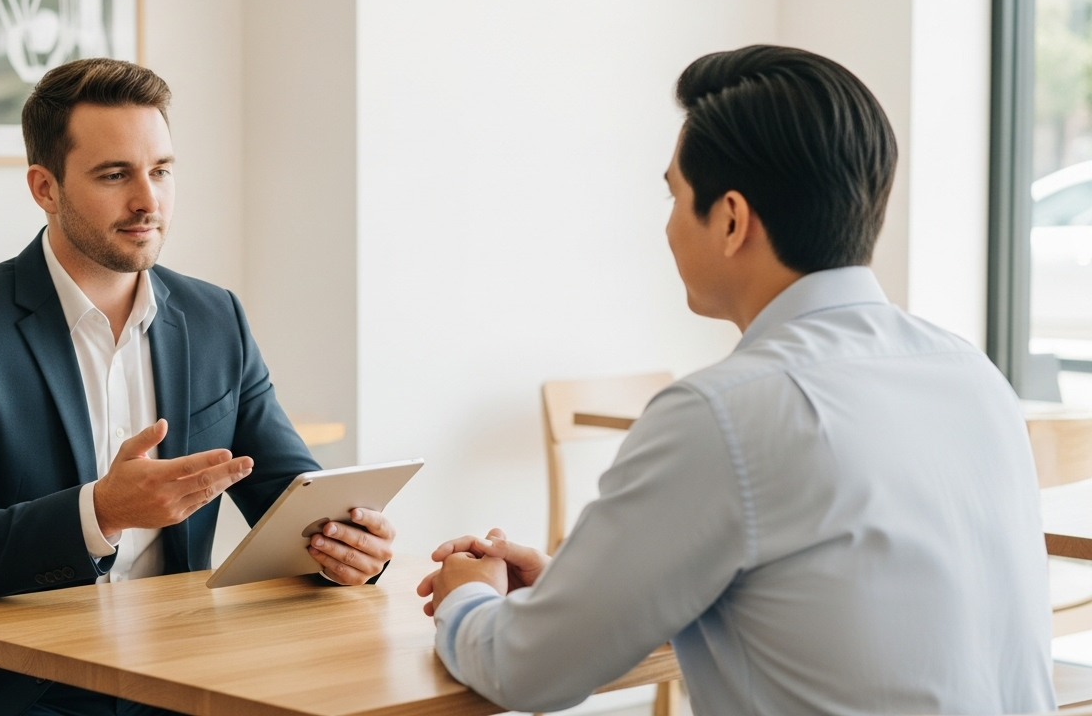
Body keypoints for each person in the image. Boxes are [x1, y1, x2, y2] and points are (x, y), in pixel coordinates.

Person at [417, 45, 1055, 715]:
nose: (666, 226)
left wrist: (468, 594)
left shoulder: (723, 414)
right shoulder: (972, 375)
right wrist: (586, 598)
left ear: (729, 219)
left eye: (674, 195)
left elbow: (526, 673)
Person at [0, 58, 396, 716]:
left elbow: (290, 499)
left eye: (162, 170)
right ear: (45, 187)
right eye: (115, 175)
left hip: (170, 683)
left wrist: (347, 550)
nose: (148, 200)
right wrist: (101, 513)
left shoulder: (214, 320)